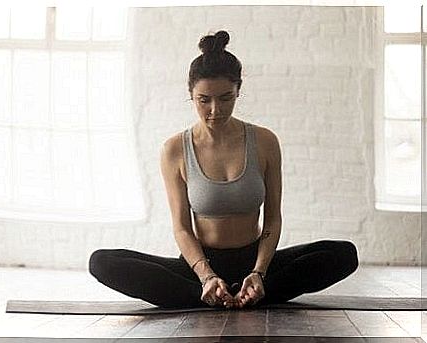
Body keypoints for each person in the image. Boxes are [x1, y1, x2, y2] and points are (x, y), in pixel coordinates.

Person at [89, 30, 359, 309]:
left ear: (238, 91)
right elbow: (182, 227)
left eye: (226, 98)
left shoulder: (265, 141)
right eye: (204, 100)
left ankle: (254, 290)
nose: (215, 110)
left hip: (256, 263)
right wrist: (206, 276)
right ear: (190, 95)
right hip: (199, 269)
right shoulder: (175, 150)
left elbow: (273, 219)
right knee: (102, 261)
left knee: (344, 254)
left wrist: (258, 272)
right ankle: (208, 293)